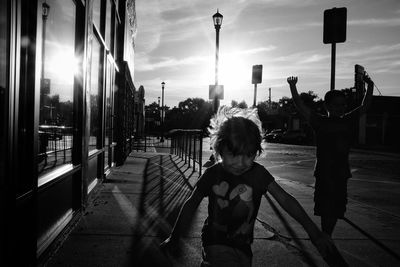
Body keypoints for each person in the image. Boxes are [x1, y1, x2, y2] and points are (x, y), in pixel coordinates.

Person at [160, 107, 340, 267]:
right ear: (219, 150)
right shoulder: (213, 174)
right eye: (233, 154)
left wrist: (313, 231)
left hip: (244, 246)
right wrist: (175, 236)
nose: (241, 162)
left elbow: (285, 200)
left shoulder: (258, 173)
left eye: (249, 155)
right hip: (215, 241)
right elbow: (192, 203)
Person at [287, 74, 374, 237]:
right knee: (326, 209)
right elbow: (300, 106)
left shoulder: (348, 120)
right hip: (324, 173)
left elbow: (365, 106)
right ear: (326, 106)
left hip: (341, 173)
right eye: (335, 105)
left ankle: (328, 235)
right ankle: (326, 236)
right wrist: (293, 86)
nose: (339, 108)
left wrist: (370, 86)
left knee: (337, 209)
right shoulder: (319, 122)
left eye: (342, 105)